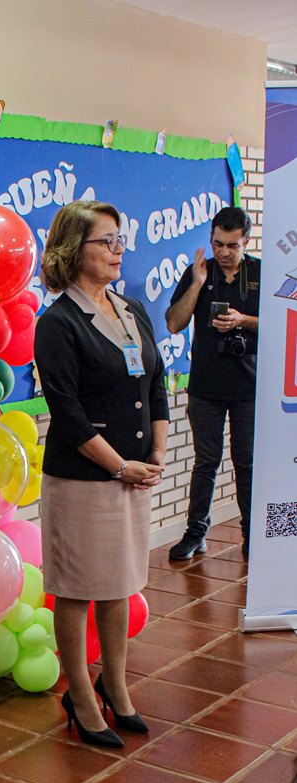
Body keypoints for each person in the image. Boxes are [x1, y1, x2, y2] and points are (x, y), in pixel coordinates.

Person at [34, 200, 169, 748]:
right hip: (85, 479)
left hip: (133, 472)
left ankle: (116, 685)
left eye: (120, 241)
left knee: (118, 586)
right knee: (77, 589)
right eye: (106, 242)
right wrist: (119, 466)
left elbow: (154, 382)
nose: (118, 251)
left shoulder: (131, 309)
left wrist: (157, 450)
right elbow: (66, 413)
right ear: (74, 249)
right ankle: (82, 697)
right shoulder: (58, 322)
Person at [166, 207, 260, 560]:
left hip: (249, 388)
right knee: (206, 463)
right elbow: (174, 324)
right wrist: (197, 284)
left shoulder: (261, 274)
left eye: (232, 246)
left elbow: (284, 327)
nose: (223, 252)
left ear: (246, 242)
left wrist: (244, 320)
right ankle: (196, 533)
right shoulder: (198, 274)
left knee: (246, 463)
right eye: (218, 243)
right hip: (205, 388)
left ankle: (251, 536)